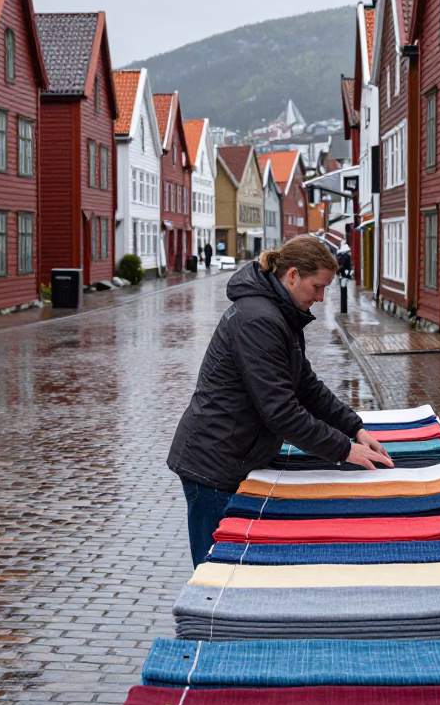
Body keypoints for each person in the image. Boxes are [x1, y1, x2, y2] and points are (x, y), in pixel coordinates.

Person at [168, 235, 392, 564]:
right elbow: (282, 412)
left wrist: (355, 428)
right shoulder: (259, 320)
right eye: (317, 286)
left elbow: (306, 386)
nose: (320, 297)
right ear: (292, 276)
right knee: (215, 573)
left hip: (235, 454)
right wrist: (344, 449)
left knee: (233, 568)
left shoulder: (280, 312)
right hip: (215, 464)